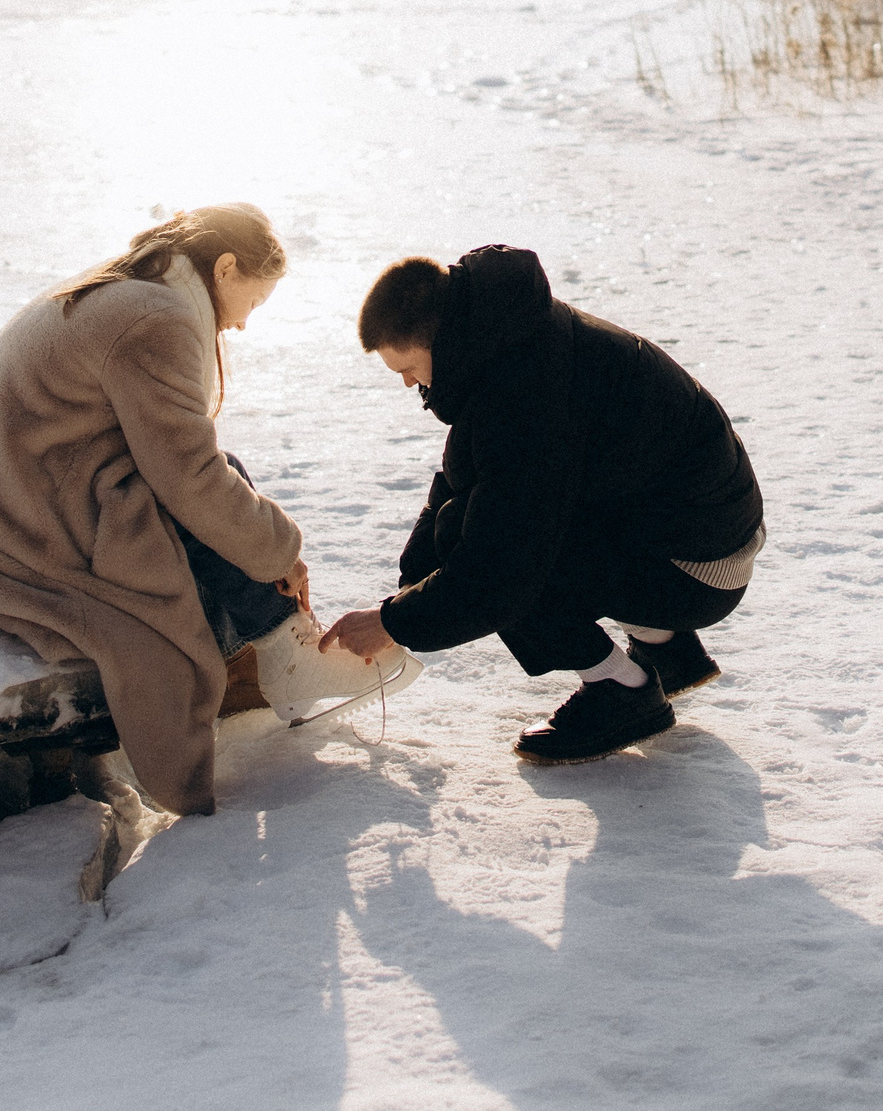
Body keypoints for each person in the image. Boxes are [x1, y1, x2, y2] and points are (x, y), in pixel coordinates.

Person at [0, 204, 387, 817]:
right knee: (203, 500)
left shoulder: (131, 286)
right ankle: (286, 658)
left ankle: (276, 647)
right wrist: (283, 551)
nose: (242, 326)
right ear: (228, 268)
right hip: (14, 526)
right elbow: (189, 479)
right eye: (253, 303)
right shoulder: (153, 319)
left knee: (223, 476)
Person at [321, 245, 765, 764]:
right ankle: (667, 646)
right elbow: (463, 478)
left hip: (698, 566)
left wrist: (396, 623)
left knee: (494, 553)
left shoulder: (522, 392)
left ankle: (621, 688)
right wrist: (408, 591)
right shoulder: (506, 338)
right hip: (698, 532)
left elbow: (500, 567)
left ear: (438, 342)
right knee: (472, 528)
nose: (406, 382)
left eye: (408, 366)